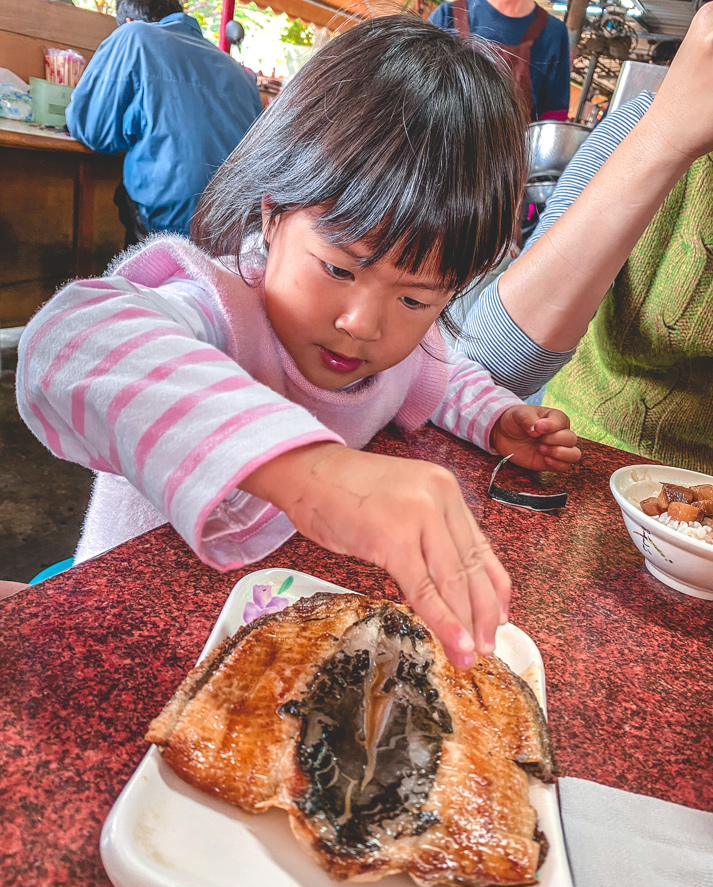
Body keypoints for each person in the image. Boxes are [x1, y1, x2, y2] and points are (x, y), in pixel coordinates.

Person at [17, 17, 580, 670]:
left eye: (416, 298)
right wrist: (318, 474)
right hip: (126, 628)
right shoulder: (220, 309)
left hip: (259, 641)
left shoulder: (406, 346)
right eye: (339, 269)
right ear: (272, 214)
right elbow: (73, 344)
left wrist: (496, 419)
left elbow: (444, 375)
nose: (363, 323)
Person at [457, 4, 713, 473]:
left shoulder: (547, 31)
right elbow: (490, 362)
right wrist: (665, 136)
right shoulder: (641, 128)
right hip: (580, 462)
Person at [65, 0, 262, 243]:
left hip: (169, 225)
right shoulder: (241, 73)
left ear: (128, 21)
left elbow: (92, 130)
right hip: (236, 232)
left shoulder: (133, 36)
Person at [429, 0, 570, 120]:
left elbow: (553, 117)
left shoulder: (554, 34)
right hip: (444, 148)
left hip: (515, 150)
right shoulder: (446, 17)